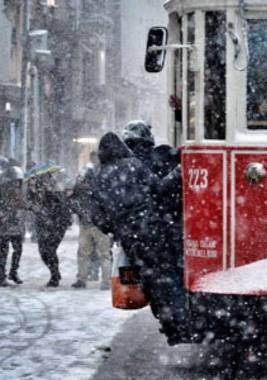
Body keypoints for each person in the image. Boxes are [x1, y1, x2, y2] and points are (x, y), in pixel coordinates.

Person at [120, 121, 188, 344]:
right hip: (164, 231)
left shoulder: (125, 168)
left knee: (155, 283)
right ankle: (177, 322)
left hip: (143, 236)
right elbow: (162, 189)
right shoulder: (160, 158)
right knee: (172, 279)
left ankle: (171, 322)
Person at [27, 165, 72, 287]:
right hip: (42, 225)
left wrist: (56, 220)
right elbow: (30, 206)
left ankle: (54, 276)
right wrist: (33, 200)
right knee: (43, 252)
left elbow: (61, 206)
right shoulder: (33, 193)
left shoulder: (54, 191)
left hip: (56, 225)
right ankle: (55, 272)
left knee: (50, 250)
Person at [69, 167, 111, 290]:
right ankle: (105, 281)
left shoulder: (82, 190)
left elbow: (73, 206)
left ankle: (83, 279)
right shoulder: (101, 188)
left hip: (89, 225)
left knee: (85, 254)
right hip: (98, 225)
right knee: (104, 254)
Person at [0, 166, 26, 286]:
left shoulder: (19, 190)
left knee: (18, 249)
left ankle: (14, 272)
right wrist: (0, 215)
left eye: (19, 180)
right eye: (15, 180)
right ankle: (1, 277)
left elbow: (23, 206)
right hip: (3, 225)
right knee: (3, 251)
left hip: (16, 225)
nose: (17, 183)